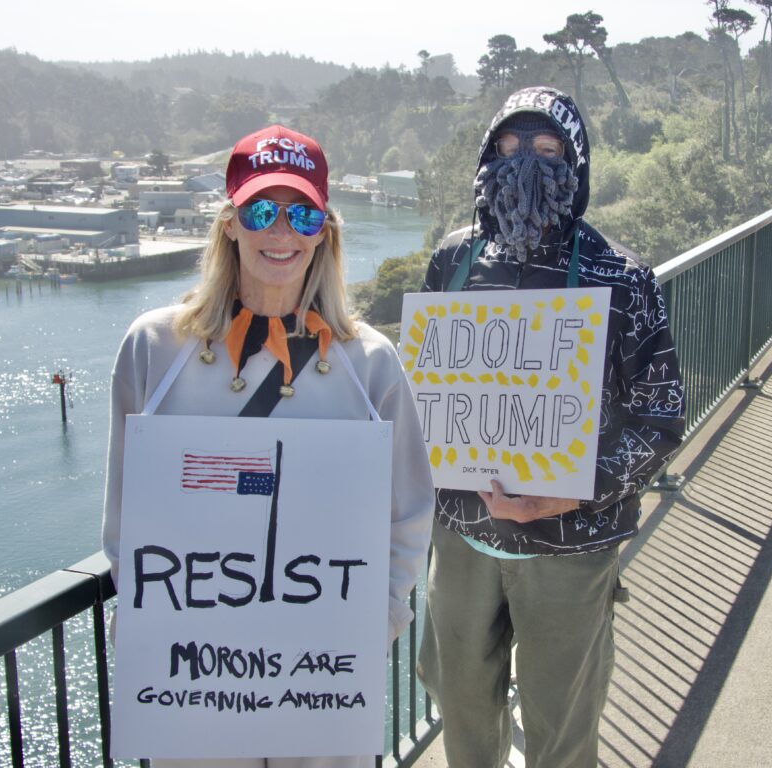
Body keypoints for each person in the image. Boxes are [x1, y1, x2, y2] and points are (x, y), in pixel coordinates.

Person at [101, 125, 435, 768]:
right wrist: (148, 618)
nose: (281, 232)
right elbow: (125, 511)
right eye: (261, 211)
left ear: (324, 232)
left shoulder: (371, 364)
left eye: (302, 214)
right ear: (229, 224)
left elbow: (409, 513)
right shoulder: (153, 347)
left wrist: (377, 623)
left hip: (320, 676)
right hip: (194, 677)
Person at [416, 86, 685, 768]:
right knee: (457, 699)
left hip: (572, 547)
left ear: (577, 163)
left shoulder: (621, 275)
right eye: (508, 147)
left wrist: (574, 491)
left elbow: (659, 417)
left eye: (546, 148)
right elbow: (424, 391)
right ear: (487, 157)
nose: (525, 163)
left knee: (561, 723)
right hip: (463, 536)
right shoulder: (452, 259)